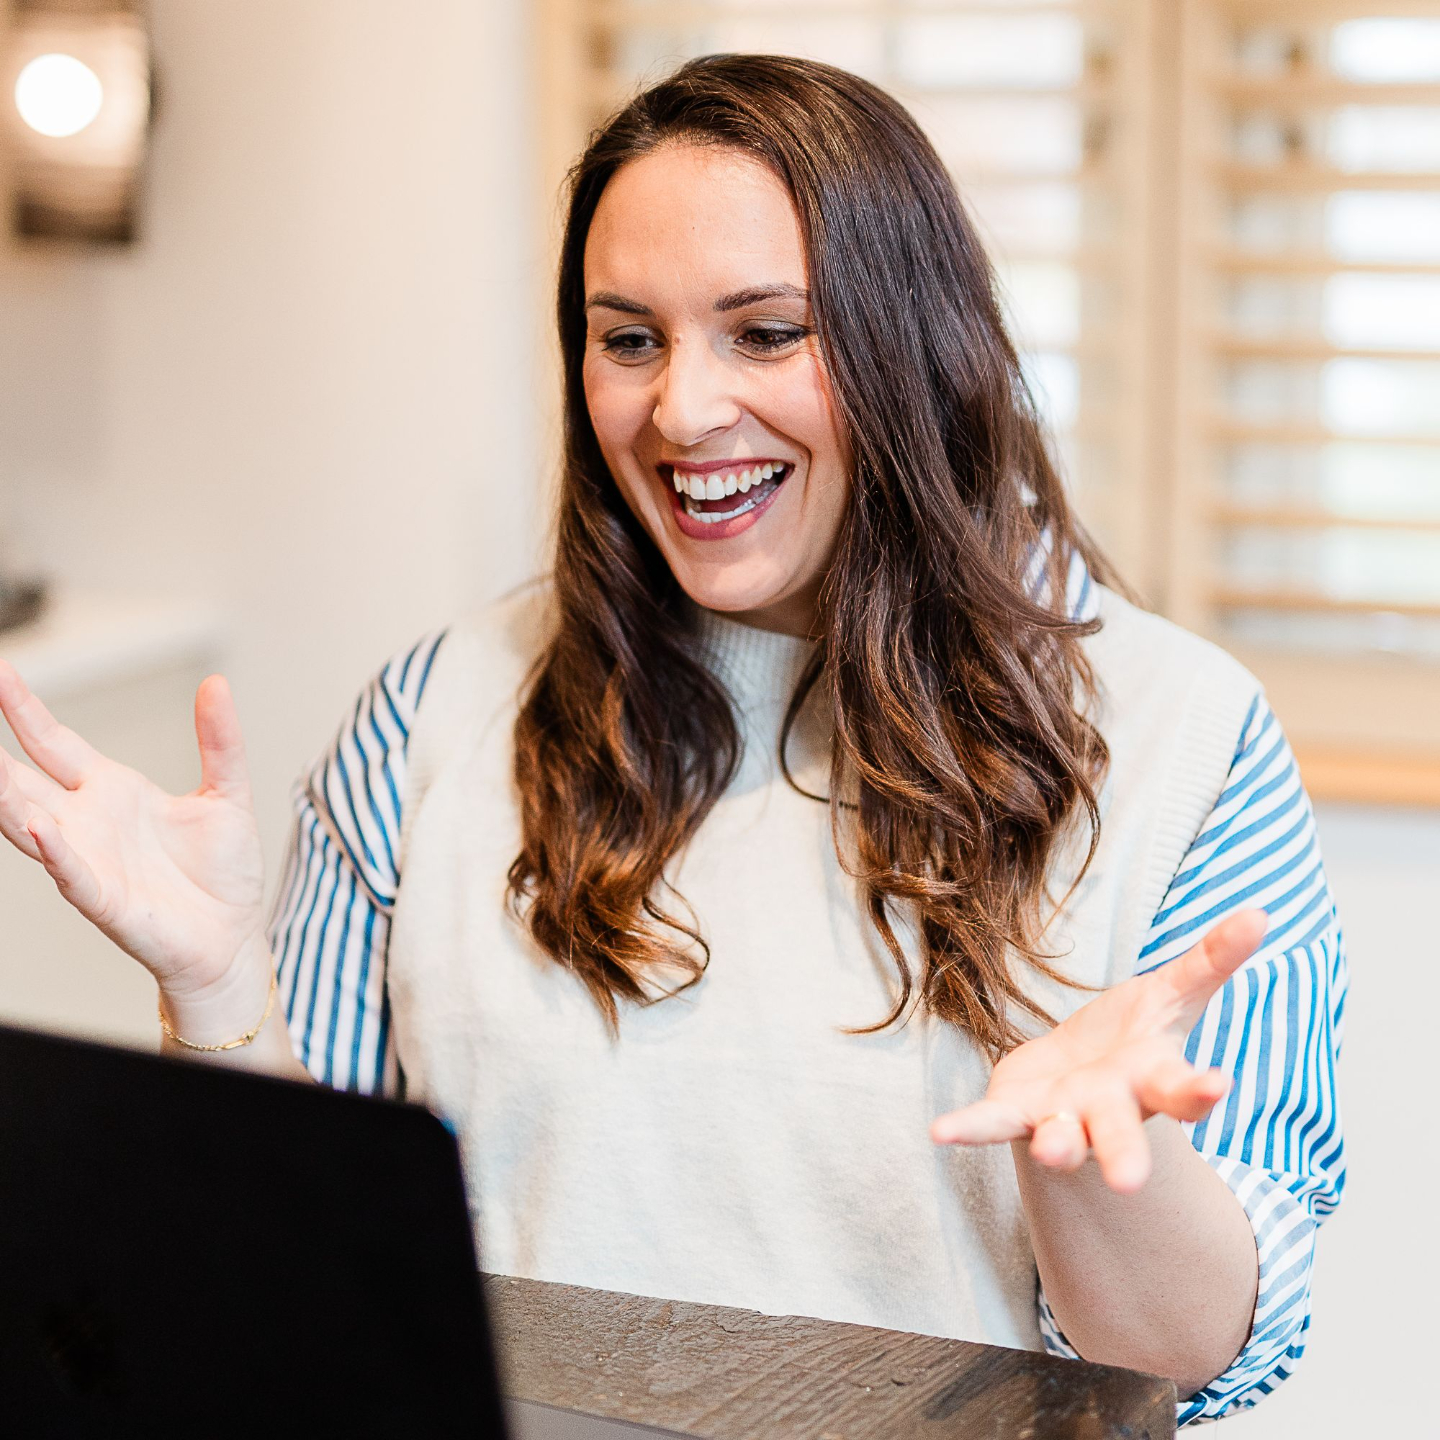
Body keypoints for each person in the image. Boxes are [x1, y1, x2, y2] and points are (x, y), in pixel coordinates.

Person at [0, 54, 1344, 1427]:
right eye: (629, 339)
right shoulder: (431, 716)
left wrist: (1093, 1167)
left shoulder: (1186, 744)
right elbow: (293, 1288)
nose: (683, 411)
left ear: (916, 344)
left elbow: (1191, 1351)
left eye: (767, 332)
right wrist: (218, 987)